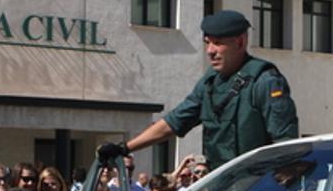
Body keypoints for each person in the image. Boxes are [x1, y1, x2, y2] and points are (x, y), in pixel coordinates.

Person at [99, 10, 298, 171]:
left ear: (240, 42)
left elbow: (285, 145)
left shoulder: (265, 81)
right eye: (208, 43)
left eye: (218, 43)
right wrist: (124, 148)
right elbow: (173, 122)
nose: (210, 50)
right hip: (222, 187)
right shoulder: (210, 83)